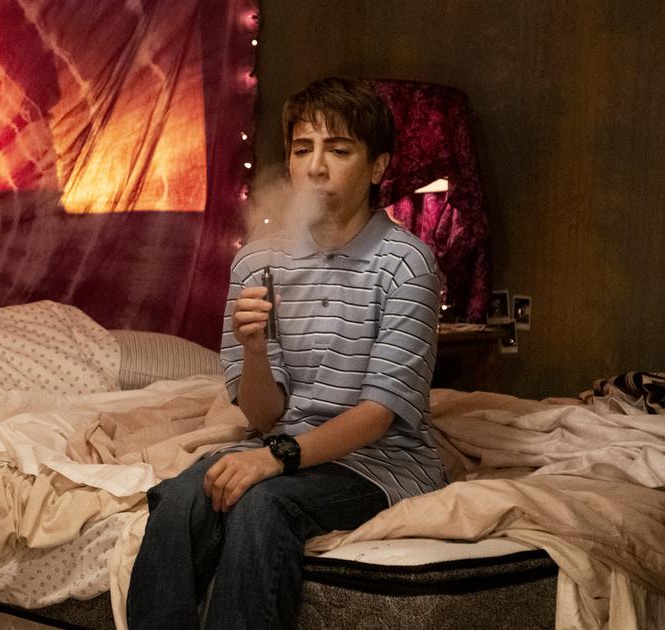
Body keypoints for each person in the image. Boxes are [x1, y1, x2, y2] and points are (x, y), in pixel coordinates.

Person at [126, 77, 447, 630]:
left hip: (379, 465)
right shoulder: (258, 261)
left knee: (262, 505)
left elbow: (378, 416)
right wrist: (253, 351)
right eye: (302, 150)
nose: (316, 168)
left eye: (338, 150)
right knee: (179, 501)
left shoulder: (406, 264)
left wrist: (274, 459)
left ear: (377, 167)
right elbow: (263, 416)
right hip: (282, 444)